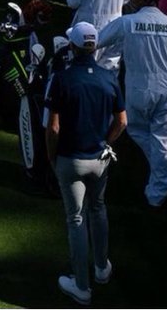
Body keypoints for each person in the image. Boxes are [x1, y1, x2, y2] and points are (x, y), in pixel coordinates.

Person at [45, 22, 126, 306]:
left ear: (73, 47)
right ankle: (102, 268)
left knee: (76, 219)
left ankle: (81, 286)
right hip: (100, 159)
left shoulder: (62, 78)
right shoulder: (108, 77)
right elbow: (122, 121)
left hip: (71, 159)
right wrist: (106, 142)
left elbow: (53, 129)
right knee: (98, 208)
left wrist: (51, 155)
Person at [97, 0, 167, 207]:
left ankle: (160, 191)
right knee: (164, 137)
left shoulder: (127, 22)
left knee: (138, 131)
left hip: (139, 88)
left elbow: (97, 40)